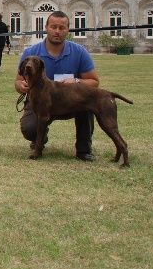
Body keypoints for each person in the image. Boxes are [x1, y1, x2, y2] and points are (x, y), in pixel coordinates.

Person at [14, 11, 99, 162]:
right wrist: (22, 86)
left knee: (87, 103)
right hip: (40, 102)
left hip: (69, 102)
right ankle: (38, 138)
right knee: (30, 129)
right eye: (53, 27)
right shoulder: (31, 52)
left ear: (67, 30)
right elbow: (18, 81)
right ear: (46, 27)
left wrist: (76, 81)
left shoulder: (79, 52)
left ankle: (84, 149)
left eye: (62, 27)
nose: (57, 31)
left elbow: (94, 82)